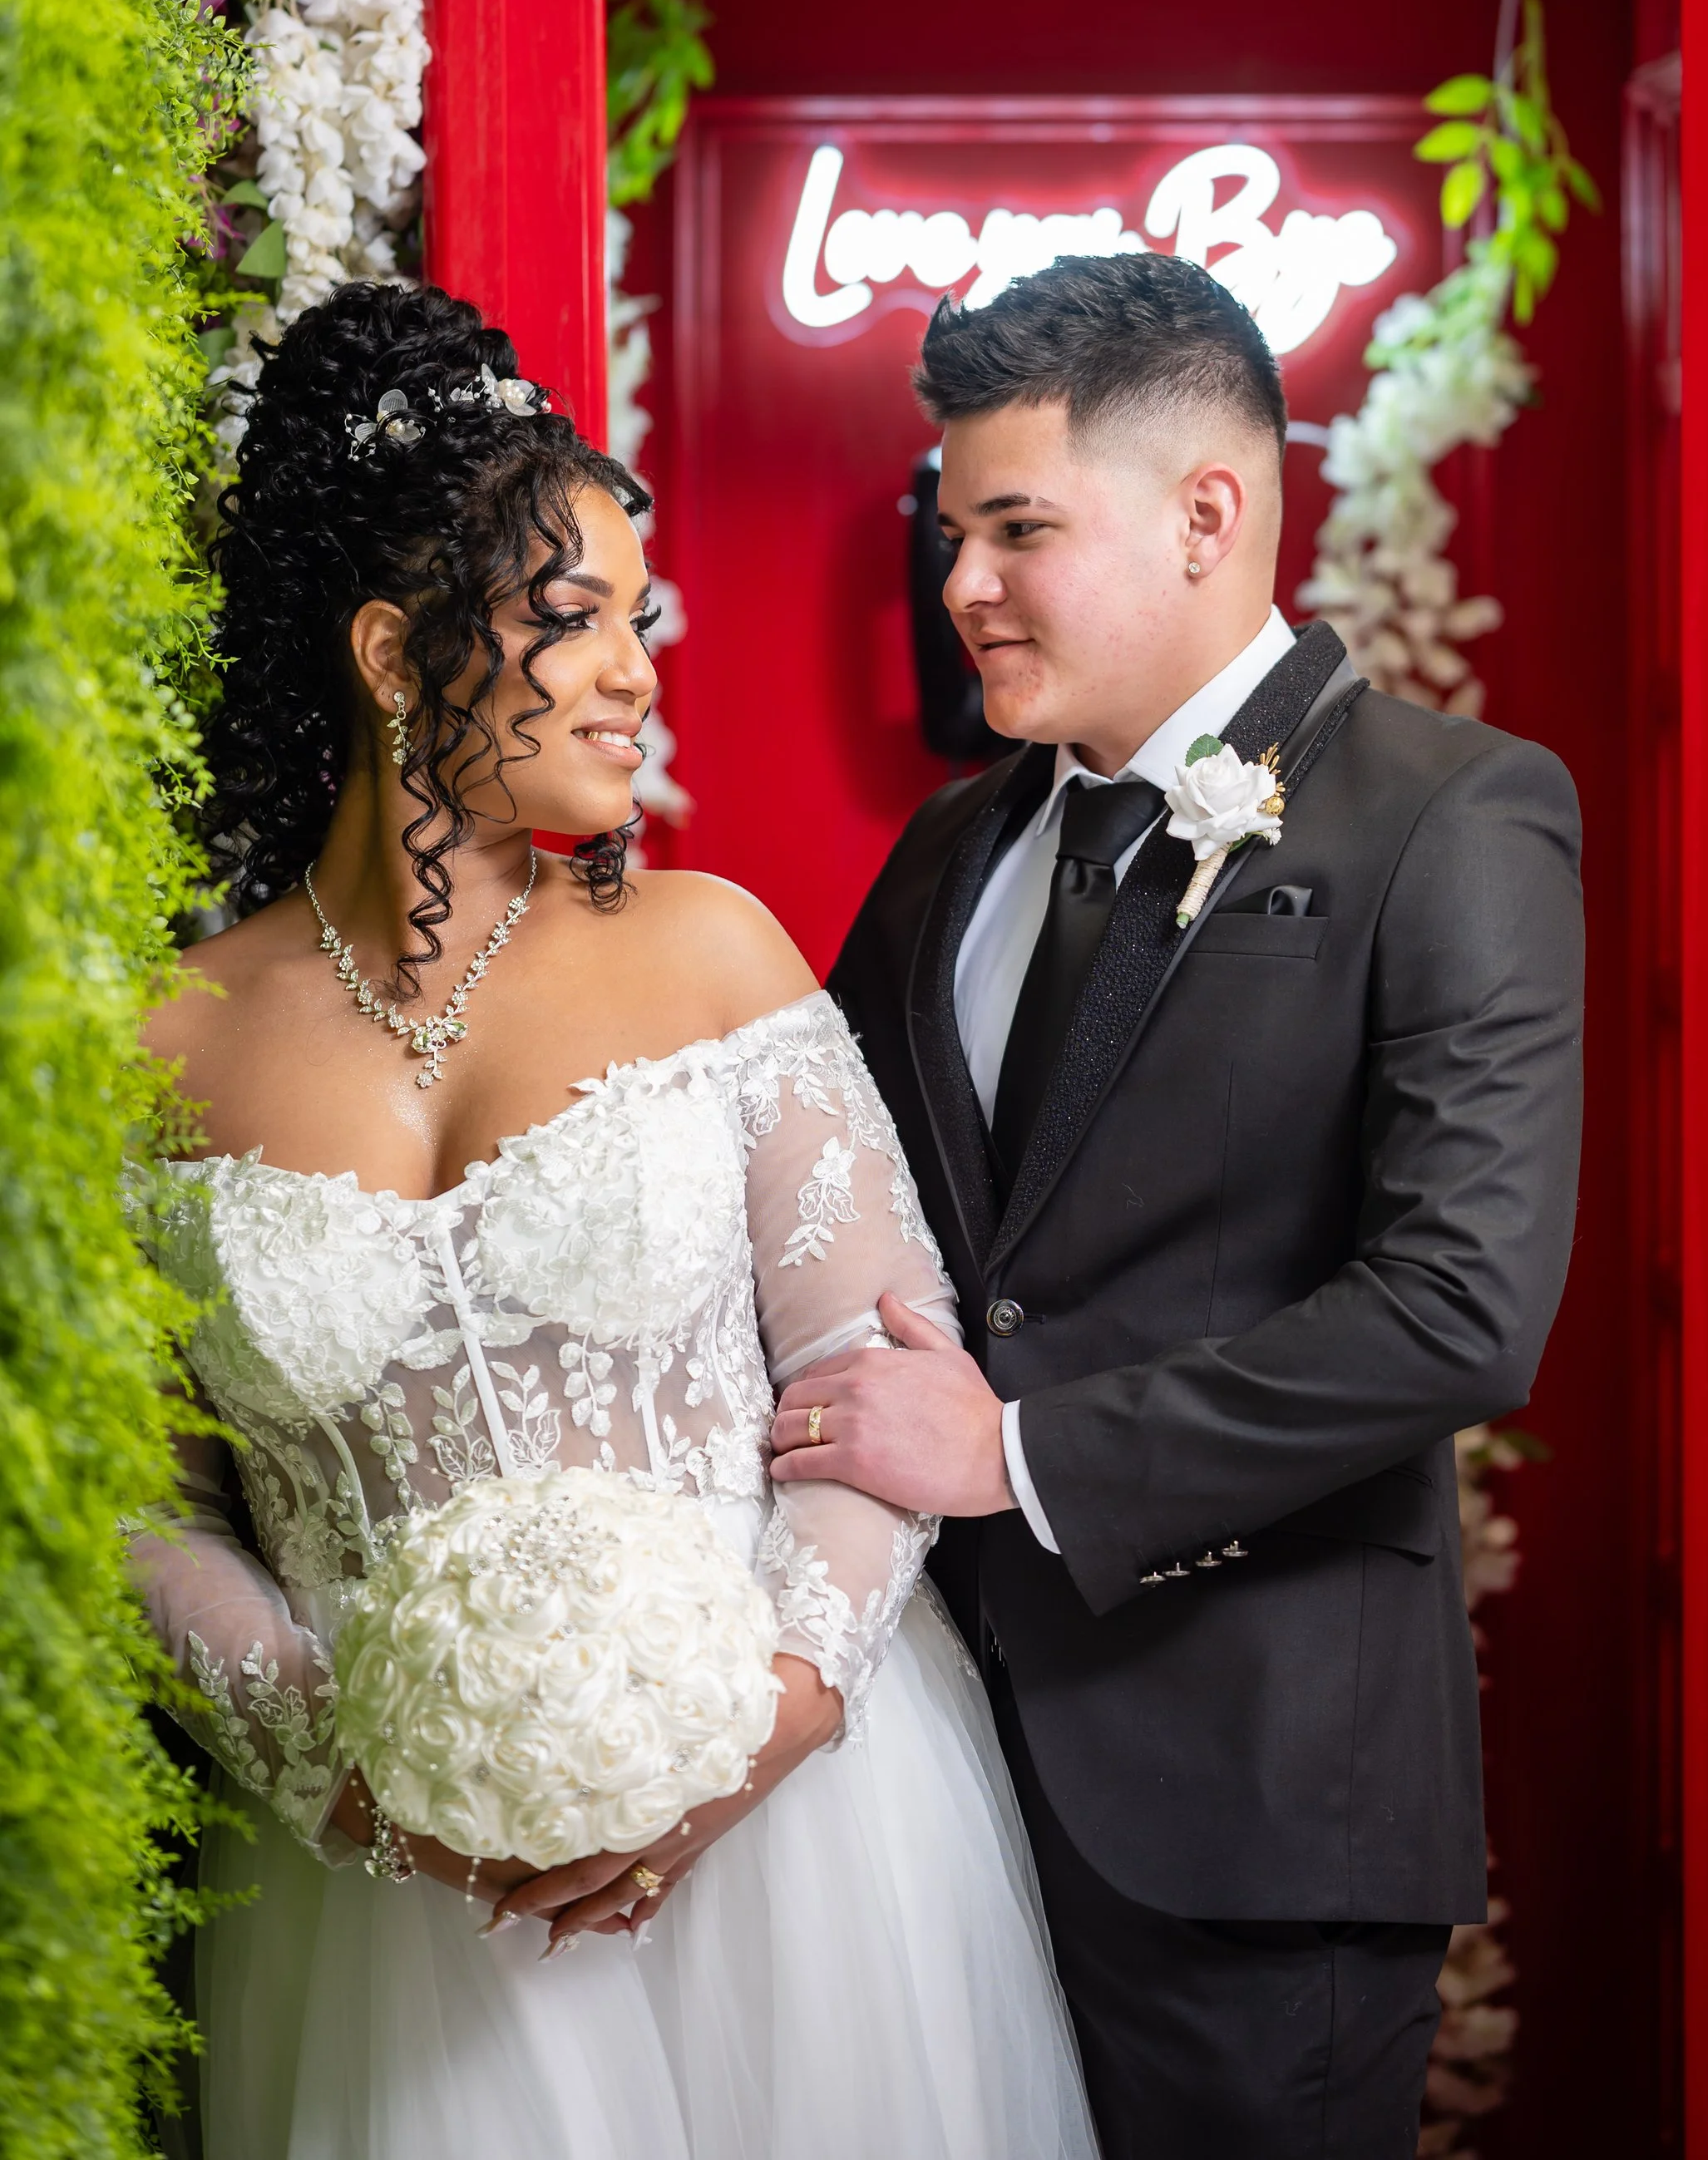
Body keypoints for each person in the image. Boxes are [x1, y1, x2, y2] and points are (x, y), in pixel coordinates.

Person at [134, 279, 1097, 2160]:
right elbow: (143, 1501)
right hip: (384, 1908)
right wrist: (341, 1775)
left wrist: (750, 1736)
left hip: (798, 1857)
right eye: (568, 623)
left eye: (633, 621)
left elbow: (868, 1378)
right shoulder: (162, 1044)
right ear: (394, 654)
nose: (635, 673)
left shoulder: (705, 954)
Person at [782, 250, 1586, 2160]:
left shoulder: (1449, 815)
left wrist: (1023, 1453)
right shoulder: (951, 843)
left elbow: (1461, 1305)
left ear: (1207, 513)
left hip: (1248, 1808)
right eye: (950, 527)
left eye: (1015, 527)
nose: (959, 583)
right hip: (920, 1785)